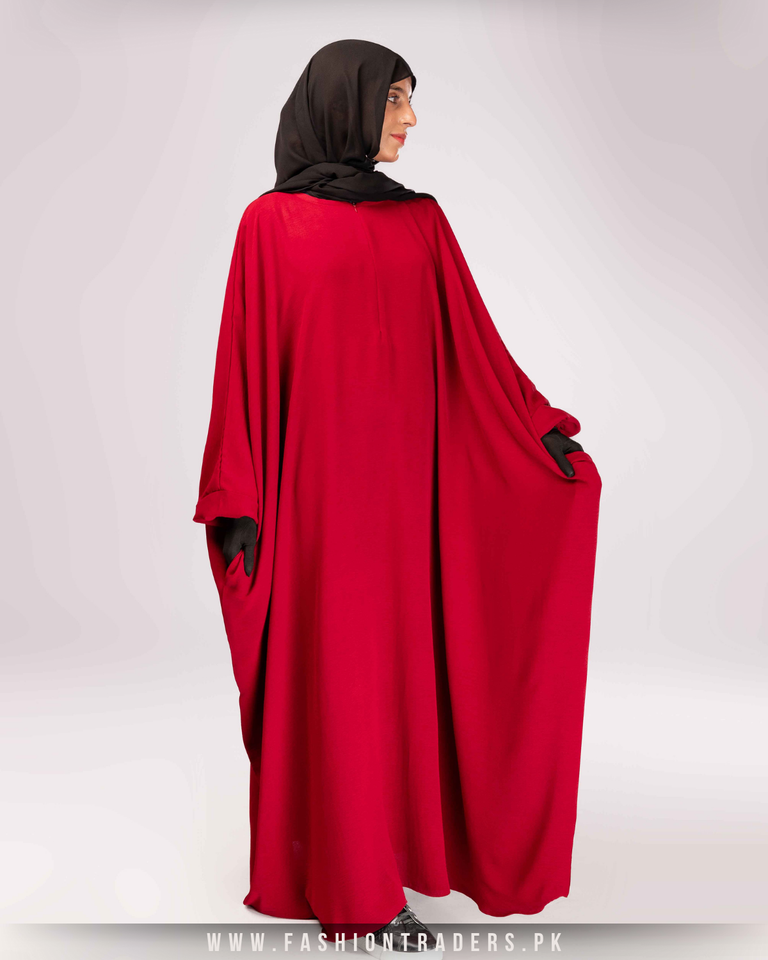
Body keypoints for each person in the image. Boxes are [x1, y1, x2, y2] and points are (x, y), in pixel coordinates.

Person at [193, 38, 601, 957]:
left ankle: (390, 862)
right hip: (317, 509)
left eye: (411, 100)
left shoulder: (422, 224)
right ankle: (359, 894)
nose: (411, 120)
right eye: (396, 100)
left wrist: (540, 432)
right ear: (346, 103)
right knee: (338, 678)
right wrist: (239, 498)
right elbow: (241, 373)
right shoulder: (269, 228)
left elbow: (476, 355)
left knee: (397, 686)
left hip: (412, 507)